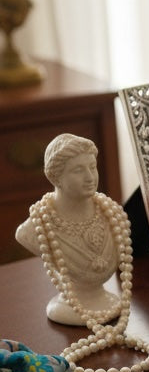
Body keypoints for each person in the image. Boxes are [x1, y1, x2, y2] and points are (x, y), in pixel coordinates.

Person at [15, 134, 124, 324]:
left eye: (92, 167)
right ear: (56, 178)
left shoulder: (114, 216)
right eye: (78, 170)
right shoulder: (35, 229)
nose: (90, 177)